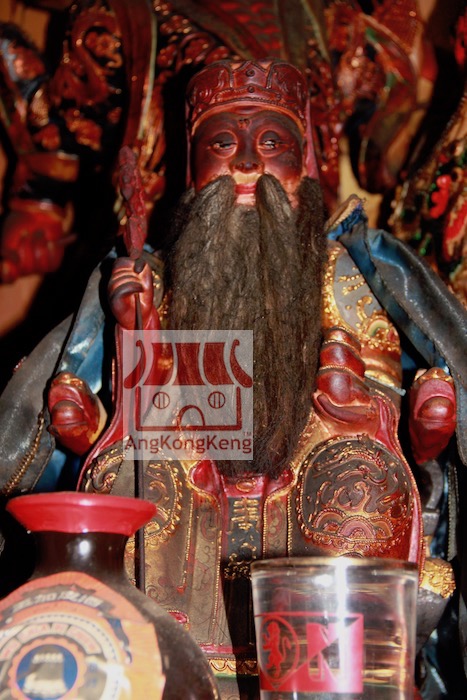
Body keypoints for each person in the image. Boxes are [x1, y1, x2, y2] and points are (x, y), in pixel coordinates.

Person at [4, 58, 459, 697]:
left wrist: (380, 411)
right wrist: (136, 327)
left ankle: (324, 664)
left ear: (305, 165)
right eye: (222, 144)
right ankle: (167, 658)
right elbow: (146, 389)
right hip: (191, 447)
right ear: (192, 171)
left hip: (310, 442)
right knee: (138, 473)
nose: (246, 163)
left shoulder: (331, 266)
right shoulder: (163, 274)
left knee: (357, 472)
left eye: (271, 143)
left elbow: (377, 356)